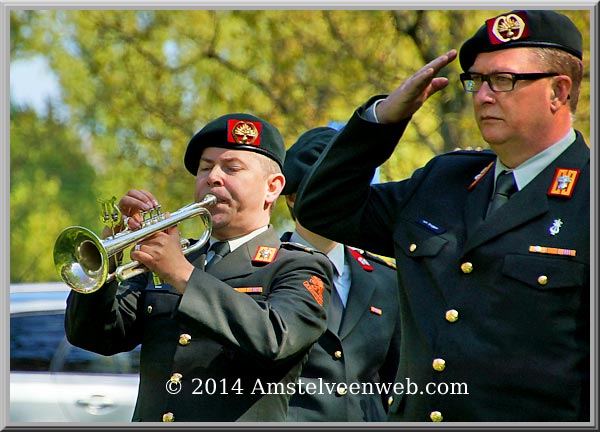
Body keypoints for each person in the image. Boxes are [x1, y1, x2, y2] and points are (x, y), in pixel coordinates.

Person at [295, 10, 589, 422]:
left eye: (503, 80)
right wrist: (382, 120)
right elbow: (321, 210)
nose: (483, 96)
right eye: (476, 81)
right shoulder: (444, 181)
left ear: (559, 91)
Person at [64, 113, 333, 422]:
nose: (213, 177)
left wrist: (181, 274)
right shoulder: (175, 259)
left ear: (273, 187)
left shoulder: (299, 265)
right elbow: (93, 336)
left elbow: (274, 339)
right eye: (206, 168)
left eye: (232, 168)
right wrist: (110, 253)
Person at [280, 127, 401, 422]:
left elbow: (397, 382)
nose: (336, 204)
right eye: (324, 193)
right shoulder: (264, 270)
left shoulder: (385, 279)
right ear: (293, 198)